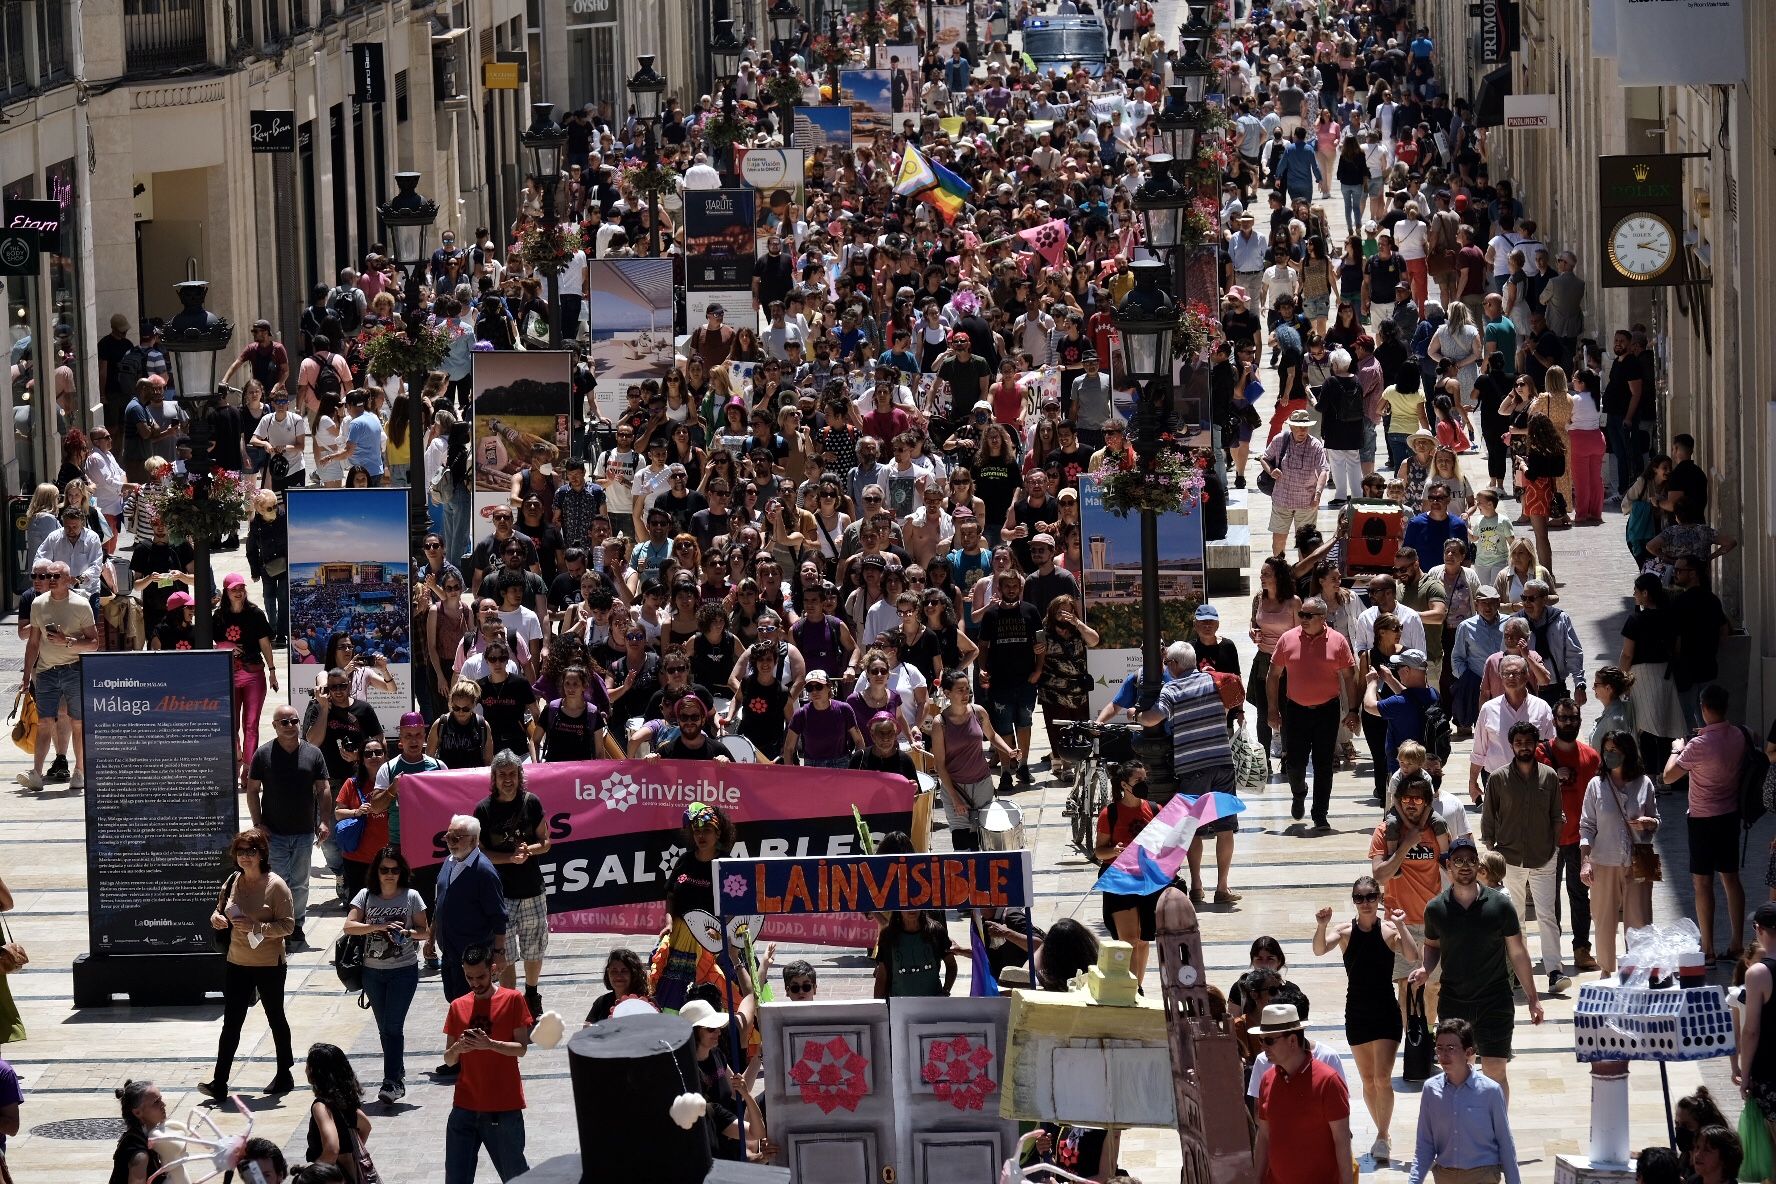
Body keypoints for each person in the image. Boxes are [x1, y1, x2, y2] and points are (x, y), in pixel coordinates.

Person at [1410, 835, 1544, 1104]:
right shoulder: (1436, 909)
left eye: (1471, 860)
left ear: (1478, 866)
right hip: (1455, 1001)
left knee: (1495, 1072)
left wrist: (1533, 998)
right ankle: (1466, 1131)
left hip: (1495, 1000)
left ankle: (1497, 1132)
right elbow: (1433, 946)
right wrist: (1425, 968)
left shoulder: (1500, 905)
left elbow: (1517, 952)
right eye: (1458, 861)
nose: (1465, 866)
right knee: (1459, 1072)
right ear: (1449, 867)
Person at [1311, 876, 1416, 1164]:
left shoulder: (1390, 930)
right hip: (1356, 1011)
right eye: (1360, 897)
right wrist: (1321, 926)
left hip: (1385, 1010)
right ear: (1354, 901)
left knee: (1382, 1077)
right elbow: (1319, 949)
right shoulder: (1345, 931)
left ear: (1379, 898)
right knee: (1368, 1080)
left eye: (1371, 896)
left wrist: (1403, 925)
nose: (1366, 902)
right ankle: (1383, 1133)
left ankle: (1382, 1134)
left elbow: (1412, 954)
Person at [200, 828, 296, 1101]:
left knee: (275, 1017)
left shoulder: (275, 885)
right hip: (237, 961)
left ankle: (284, 1072)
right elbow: (219, 910)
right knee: (231, 1023)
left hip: (268, 963)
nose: (245, 857)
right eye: (241, 852)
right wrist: (216, 919)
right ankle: (220, 1081)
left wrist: (258, 926)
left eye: (251, 851)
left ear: (262, 853)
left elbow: (288, 925)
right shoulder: (233, 881)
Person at [1140, 641, 1241, 902]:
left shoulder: (1171, 688)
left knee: (1192, 829)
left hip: (1191, 767)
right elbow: (1230, 705)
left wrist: (1135, 715)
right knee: (1225, 828)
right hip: (1222, 762)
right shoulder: (1213, 681)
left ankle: (1197, 886)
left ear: (1173, 664)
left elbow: (1154, 718)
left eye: (1166, 663)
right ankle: (1223, 887)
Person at [1482, 721, 1572, 994]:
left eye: (1528, 741)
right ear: (1511, 745)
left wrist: (1553, 847)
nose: (1523, 746)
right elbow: (1488, 820)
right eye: (1518, 742)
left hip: (1544, 857)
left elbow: (1557, 817)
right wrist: (1492, 852)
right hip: (1509, 858)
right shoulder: (1497, 778)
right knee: (1515, 917)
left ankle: (1555, 970)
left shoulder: (1549, 777)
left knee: (1547, 915)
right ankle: (1518, 973)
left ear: (1536, 744)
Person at [1666, 683, 1750, 961]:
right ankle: (1737, 942)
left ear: (1703, 708)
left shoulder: (1697, 746)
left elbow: (1668, 777)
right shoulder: (1739, 735)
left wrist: (1677, 749)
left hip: (1702, 820)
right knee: (1731, 878)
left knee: (1702, 883)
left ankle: (1709, 949)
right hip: (1729, 817)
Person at [344, 846, 430, 1103]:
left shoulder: (412, 896)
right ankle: (397, 1073)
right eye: (384, 870)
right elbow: (349, 926)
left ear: (401, 871)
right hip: (372, 972)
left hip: (403, 971)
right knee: (384, 1029)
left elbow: (424, 931)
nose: (389, 875)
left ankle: (391, 1081)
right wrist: (379, 926)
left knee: (393, 1026)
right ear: (377, 872)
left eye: (394, 870)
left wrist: (407, 934)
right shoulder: (365, 896)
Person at [442, 945, 533, 1184]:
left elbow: (521, 1049)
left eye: (480, 976)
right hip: (464, 1106)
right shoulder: (458, 1006)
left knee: (515, 1177)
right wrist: (458, 1048)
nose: (475, 983)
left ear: (492, 970)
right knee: (456, 1178)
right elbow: (448, 1059)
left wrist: (490, 1044)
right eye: (469, 977)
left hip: (503, 1107)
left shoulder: (512, 1000)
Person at [1266, 596, 1359, 830]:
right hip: (1295, 711)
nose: (1303, 619)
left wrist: (1353, 710)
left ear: (1322, 617)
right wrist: (1272, 709)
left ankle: (1320, 813)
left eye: (1308, 615)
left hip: (1327, 711)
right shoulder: (1288, 639)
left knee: (1323, 764)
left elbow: (1349, 676)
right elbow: (1273, 675)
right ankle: (1299, 793)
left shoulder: (1337, 641)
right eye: (1302, 615)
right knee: (1295, 764)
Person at [245, 704, 331, 950]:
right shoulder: (263, 754)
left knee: (301, 882)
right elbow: (252, 790)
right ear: (274, 726)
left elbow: (323, 788)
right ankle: (280, 924)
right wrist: (257, 824)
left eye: (294, 721)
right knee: (280, 882)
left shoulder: (313, 753)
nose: (290, 726)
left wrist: (323, 820)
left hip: (304, 831)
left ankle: (297, 925)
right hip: (275, 833)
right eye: (284, 722)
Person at [476, 752, 552, 1015]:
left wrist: (528, 850)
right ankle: (510, 1004)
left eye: (512, 774)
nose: (508, 780)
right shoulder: (483, 809)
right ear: (494, 778)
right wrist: (509, 857)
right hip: (500, 894)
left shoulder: (532, 803)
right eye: (502, 775)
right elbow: (481, 851)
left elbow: (546, 842)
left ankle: (532, 995)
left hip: (532, 889)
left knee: (534, 947)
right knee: (504, 954)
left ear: (520, 777)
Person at [1578, 730, 1660, 975]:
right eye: (1606, 750)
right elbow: (1587, 825)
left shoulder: (1644, 783)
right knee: (1603, 920)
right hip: (1604, 860)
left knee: (1641, 920)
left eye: (1615, 750)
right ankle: (1606, 970)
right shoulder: (1596, 785)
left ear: (1628, 753)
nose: (1609, 755)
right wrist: (1585, 861)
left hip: (1641, 859)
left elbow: (1657, 820)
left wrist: (1648, 822)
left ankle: (1639, 970)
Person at [1250, 1003, 1354, 1184]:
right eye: (1261, 1040)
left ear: (1292, 1041)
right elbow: (1264, 1136)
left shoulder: (1328, 1082)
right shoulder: (1267, 1079)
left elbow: (1342, 1143)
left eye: (1269, 1041)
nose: (1263, 1047)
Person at [1409, 1017, 1522, 1184]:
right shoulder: (1430, 1090)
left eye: (1451, 1048)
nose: (1443, 1055)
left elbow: (1505, 1142)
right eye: (1439, 1048)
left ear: (1468, 1053)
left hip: (1483, 1175)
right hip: (1444, 1176)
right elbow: (1425, 1145)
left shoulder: (1490, 1091)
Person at [20, 560, 97, 791]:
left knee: (77, 722)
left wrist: (68, 641)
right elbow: (33, 643)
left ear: (68, 579)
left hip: (73, 669)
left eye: (56, 576)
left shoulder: (81, 605)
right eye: (47, 577)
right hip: (46, 672)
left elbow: (94, 644)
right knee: (44, 722)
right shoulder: (38, 604)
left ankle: (79, 772)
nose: (50, 580)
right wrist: (25, 676)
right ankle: (36, 773)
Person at [1542, 700, 1603, 974]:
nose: (1568, 723)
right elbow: (1532, 793)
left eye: (1573, 718)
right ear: (1554, 720)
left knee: (1580, 897)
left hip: (1580, 840)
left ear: (1580, 720)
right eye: (1563, 718)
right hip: (1549, 839)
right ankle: (1552, 953)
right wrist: (1554, 775)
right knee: (1549, 898)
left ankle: (1582, 949)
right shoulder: (1541, 756)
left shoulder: (1591, 757)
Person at [432, 813, 509, 1026]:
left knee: (473, 1010)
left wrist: (499, 953)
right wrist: (431, 938)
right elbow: (440, 903)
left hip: (472, 959)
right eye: (448, 837)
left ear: (474, 840)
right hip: (449, 952)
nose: (450, 842)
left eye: (457, 838)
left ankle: (472, 1054)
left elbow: (499, 916)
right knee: (455, 1001)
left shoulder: (484, 872)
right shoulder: (449, 862)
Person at [931, 668, 1020, 850]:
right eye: (960, 690)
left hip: (982, 784)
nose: (966, 694)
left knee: (986, 837)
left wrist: (1008, 750)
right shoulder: (940, 723)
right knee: (962, 841)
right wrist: (955, 798)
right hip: (955, 787)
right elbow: (939, 765)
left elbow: (992, 735)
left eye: (967, 689)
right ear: (947, 693)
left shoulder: (978, 712)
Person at [1094, 759, 1160, 984]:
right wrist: (1113, 851)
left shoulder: (1154, 809)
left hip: (1147, 881)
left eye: (1145, 779)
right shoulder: (1109, 814)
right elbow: (1099, 852)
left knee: (1143, 940)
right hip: (1119, 881)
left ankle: (1138, 987)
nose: (1143, 783)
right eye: (1138, 780)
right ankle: (1129, 988)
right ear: (1124, 785)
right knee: (1129, 940)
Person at [1468, 655, 1555, 804]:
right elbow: (1479, 750)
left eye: (1516, 673)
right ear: (1500, 677)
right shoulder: (1488, 709)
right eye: (1506, 673)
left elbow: (1552, 747)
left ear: (1527, 675)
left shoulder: (1542, 707)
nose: (1510, 677)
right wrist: (1472, 781)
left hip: (1534, 783)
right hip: (1498, 782)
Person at [1260, 409, 1330, 557]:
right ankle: (1279, 570)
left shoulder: (1316, 445)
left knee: (1306, 543)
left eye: (1305, 426)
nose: (1302, 430)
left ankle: (1303, 575)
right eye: (1298, 426)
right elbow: (1264, 458)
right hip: (1282, 500)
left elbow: (1323, 470)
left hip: (1306, 502)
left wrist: (1317, 494)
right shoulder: (1279, 440)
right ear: (1291, 427)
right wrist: (1271, 470)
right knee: (1279, 539)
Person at [303, 1043, 374, 1176]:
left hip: (333, 1177)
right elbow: (366, 1126)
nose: (306, 1069)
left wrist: (312, 1175)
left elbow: (332, 1149)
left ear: (316, 1071)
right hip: (351, 1173)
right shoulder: (345, 1104)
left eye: (308, 1064)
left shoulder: (321, 1107)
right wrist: (353, 1153)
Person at [874, 911, 957, 997]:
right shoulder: (888, 935)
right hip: (899, 1005)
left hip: (933, 1003)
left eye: (916, 904)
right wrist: (877, 1006)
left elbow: (951, 965)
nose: (911, 909)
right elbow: (882, 976)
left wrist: (945, 992)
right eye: (906, 905)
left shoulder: (936, 931)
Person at [109, 1078, 166, 1184]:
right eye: (156, 1102)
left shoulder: (141, 1137)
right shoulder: (140, 1156)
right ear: (137, 1112)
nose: (163, 1105)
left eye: (161, 1099)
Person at [584, 948, 650, 1024]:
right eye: (614, 971)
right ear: (608, 973)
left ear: (633, 974)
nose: (618, 976)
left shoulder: (645, 1003)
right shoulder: (602, 1002)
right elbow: (587, 1028)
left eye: (624, 971)